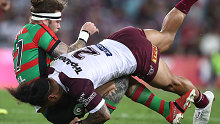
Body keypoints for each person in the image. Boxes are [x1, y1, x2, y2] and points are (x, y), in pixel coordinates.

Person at [10, 0, 214, 124]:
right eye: (57, 21)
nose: (59, 25)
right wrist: (84, 35)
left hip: (131, 52)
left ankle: (202, 102)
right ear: (45, 19)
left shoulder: (26, 35)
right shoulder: (44, 42)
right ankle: (168, 110)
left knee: (172, 84)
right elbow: (69, 51)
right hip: (118, 39)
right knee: (167, 37)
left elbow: (102, 111)